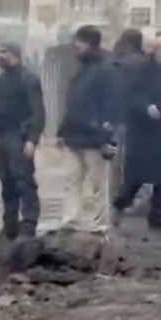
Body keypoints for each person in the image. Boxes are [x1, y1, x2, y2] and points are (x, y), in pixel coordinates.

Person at [112, 35, 161, 231]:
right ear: (155, 52)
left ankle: (159, 215)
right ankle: (119, 205)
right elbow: (130, 95)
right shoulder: (141, 71)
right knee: (138, 175)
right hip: (146, 132)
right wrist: (146, 107)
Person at [57, 25, 117, 231]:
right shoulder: (81, 69)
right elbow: (73, 103)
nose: (75, 45)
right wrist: (62, 131)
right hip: (74, 135)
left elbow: (111, 106)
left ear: (91, 44)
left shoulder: (106, 69)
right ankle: (70, 220)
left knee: (98, 183)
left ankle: (100, 224)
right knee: (71, 180)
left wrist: (107, 138)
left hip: (95, 138)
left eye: (79, 42)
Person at [0, 42, 45, 240]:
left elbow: (38, 112)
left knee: (24, 181)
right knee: (6, 181)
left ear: (15, 54)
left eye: (3, 52)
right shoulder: (1, 79)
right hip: (3, 136)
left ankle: (28, 225)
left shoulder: (29, 79)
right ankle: (9, 226)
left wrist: (32, 139)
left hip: (19, 137)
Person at [110, 29, 147, 200]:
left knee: (116, 160)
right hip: (141, 118)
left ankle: (116, 195)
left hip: (120, 116)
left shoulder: (118, 63)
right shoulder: (147, 62)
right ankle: (140, 196)